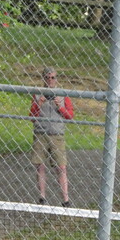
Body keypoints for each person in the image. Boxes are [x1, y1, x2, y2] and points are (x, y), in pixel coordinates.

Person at [29, 67, 74, 207]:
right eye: (47, 77)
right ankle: (42, 197)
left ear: (57, 79)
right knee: (40, 165)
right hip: (41, 133)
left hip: (57, 135)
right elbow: (31, 117)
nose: (50, 80)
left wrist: (59, 106)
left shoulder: (63, 94)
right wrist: (39, 103)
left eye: (53, 77)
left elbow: (70, 116)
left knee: (61, 167)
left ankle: (65, 199)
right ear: (43, 79)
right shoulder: (37, 94)